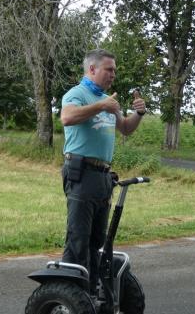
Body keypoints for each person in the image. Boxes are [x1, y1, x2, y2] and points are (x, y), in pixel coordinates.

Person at [60, 48, 146, 294]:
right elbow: (66, 118)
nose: (113, 75)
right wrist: (100, 106)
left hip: (102, 176)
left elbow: (126, 128)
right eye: (109, 69)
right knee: (78, 238)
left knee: (97, 240)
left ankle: (91, 292)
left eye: (115, 70)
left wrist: (138, 113)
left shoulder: (109, 100)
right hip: (81, 172)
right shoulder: (77, 94)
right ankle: (71, 297)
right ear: (92, 69)